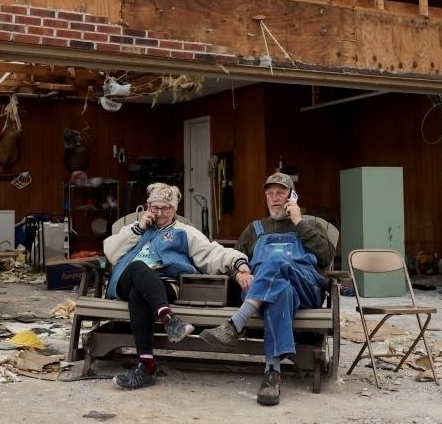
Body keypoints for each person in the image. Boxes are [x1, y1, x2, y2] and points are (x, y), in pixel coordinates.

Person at [200, 172, 333, 406]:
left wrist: (299, 223)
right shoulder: (254, 229)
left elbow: (326, 256)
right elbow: (232, 260)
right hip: (263, 294)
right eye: (269, 194)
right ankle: (272, 373)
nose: (274, 198)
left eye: (280, 193)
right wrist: (238, 273)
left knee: (275, 260)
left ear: (292, 197)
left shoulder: (309, 225)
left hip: (305, 289)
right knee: (281, 292)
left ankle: (235, 324)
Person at [104, 182, 248, 390]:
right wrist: (138, 228)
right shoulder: (135, 228)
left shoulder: (185, 232)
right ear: (147, 206)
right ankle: (170, 320)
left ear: (175, 210)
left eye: (166, 208)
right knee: (138, 267)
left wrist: (238, 262)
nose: (160, 213)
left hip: (164, 287)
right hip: (125, 281)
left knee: (139, 294)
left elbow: (212, 252)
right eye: (155, 208)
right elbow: (111, 251)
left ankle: (146, 366)